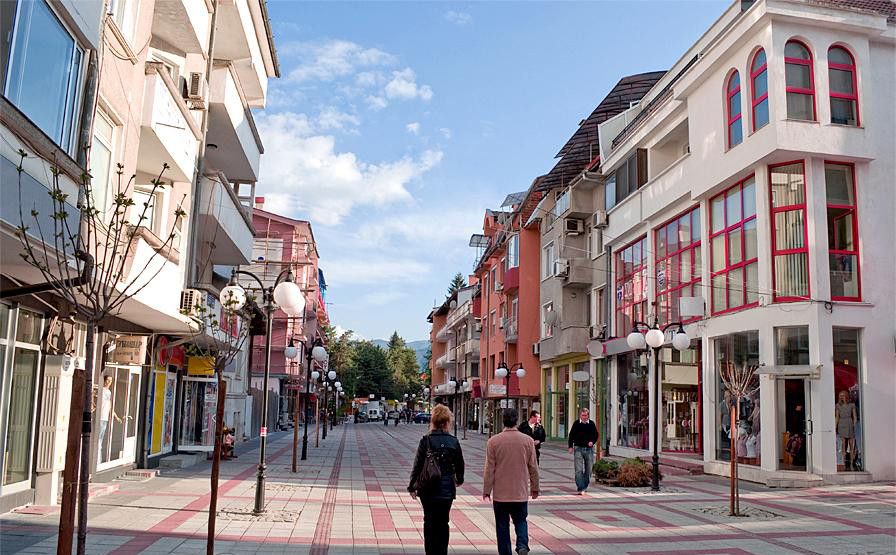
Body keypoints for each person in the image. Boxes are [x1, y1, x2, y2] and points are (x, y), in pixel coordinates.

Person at [408, 404, 465, 555]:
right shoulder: (453, 441)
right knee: (443, 522)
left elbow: (418, 464)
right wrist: (459, 479)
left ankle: (430, 552)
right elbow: (460, 464)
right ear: (447, 422)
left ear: (433, 421)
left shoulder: (426, 440)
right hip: (446, 490)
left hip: (427, 488)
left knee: (429, 522)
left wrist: (412, 486)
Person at [483, 408, 539, 555]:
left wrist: (487, 491)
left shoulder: (493, 441)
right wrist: (535, 487)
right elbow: (533, 467)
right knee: (521, 521)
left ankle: (505, 552)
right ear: (516, 421)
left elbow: (489, 469)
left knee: (502, 525)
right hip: (520, 491)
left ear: (503, 421)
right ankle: (522, 545)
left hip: (501, 494)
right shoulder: (528, 441)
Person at [568, 408, 598, 495]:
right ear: (580, 415)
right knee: (578, 469)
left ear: (588, 415)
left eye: (586, 415)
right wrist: (570, 446)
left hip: (589, 449)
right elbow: (571, 435)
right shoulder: (576, 424)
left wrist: (592, 441)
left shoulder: (591, 424)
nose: (584, 417)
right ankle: (581, 488)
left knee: (589, 469)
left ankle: (584, 485)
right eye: (583, 415)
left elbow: (595, 435)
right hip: (578, 448)